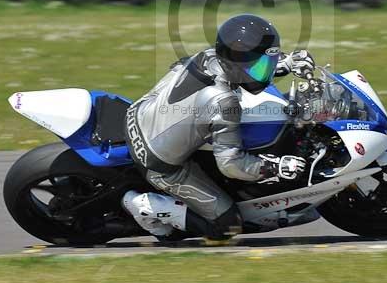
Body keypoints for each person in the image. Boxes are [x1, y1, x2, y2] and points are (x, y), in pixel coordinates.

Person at [121, 14, 315, 239]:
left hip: (141, 111)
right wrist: (275, 167)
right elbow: (230, 165)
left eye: (268, 64)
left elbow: (244, 70)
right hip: (159, 163)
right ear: (238, 64)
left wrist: (285, 63)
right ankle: (144, 206)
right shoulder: (224, 102)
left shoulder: (209, 56)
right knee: (227, 226)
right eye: (262, 66)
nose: (266, 70)